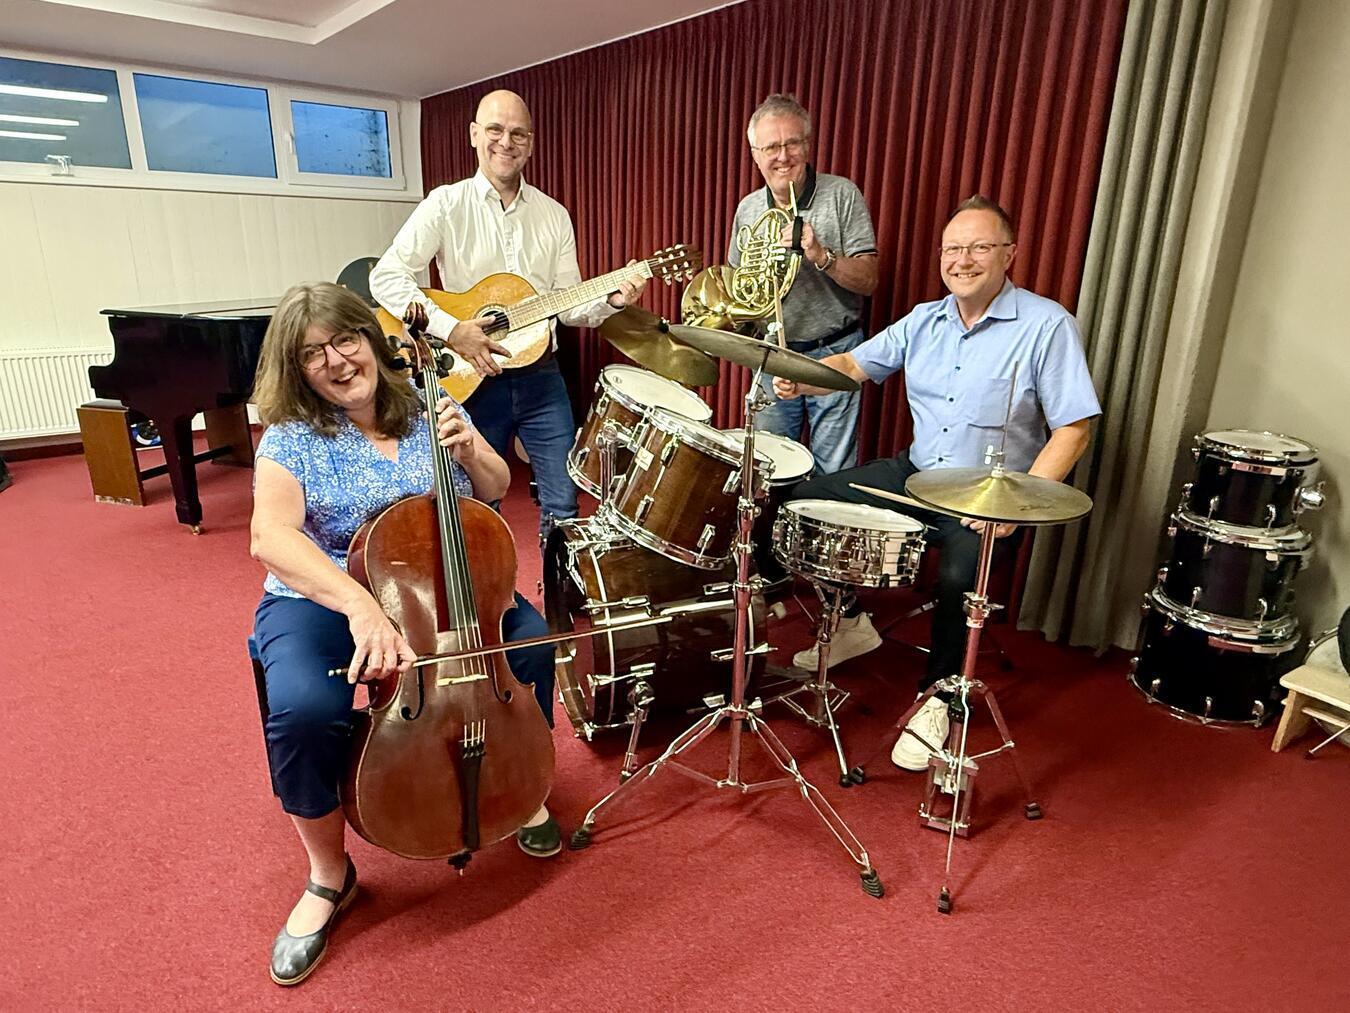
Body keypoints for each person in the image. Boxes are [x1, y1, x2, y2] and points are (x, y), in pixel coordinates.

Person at [249, 282, 560, 987]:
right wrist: (361, 607)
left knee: (531, 643)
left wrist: (475, 448)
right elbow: (270, 536)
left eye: (345, 340)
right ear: (296, 370)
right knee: (304, 707)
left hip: (444, 583)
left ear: (372, 339)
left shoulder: (427, 405)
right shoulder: (293, 437)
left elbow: (490, 488)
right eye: (312, 353)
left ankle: (520, 783)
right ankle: (330, 873)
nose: (335, 360)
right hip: (329, 593)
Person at [775, 196, 1100, 770]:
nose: (963, 260)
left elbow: (1074, 427)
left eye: (979, 247)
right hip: (919, 472)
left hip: (993, 491)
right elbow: (854, 367)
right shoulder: (925, 319)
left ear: (1009, 254)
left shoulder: (1047, 325)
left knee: (959, 574)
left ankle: (940, 696)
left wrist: (1017, 508)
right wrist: (801, 382)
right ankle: (850, 621)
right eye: (953, 249)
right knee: (804, 501)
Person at [370, 89, 646, 542]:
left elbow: (568, 304)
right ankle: (481, 597)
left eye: (518, 133)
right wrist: (451, 328)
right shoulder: (446, 204)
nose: (506, 142)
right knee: (478, 497)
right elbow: (386, 277)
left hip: (542, 379)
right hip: (473, 379)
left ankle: (560, 604)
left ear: (531, 143)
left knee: (565, 500)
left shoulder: (554, 215)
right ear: (475, 135)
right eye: (495, 130)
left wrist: (611, 300)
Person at [728, 93, 878, 475]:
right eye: (771, 147)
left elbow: (870, 279)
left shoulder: (842, 194)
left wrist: (821, 255)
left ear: (807, 146)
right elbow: (737, 283)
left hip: (834, 352)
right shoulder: (748, 209)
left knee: (835, 470)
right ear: (755, 154)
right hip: (773, 355)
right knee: (769, 469)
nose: (783, 156)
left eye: (792, 143)